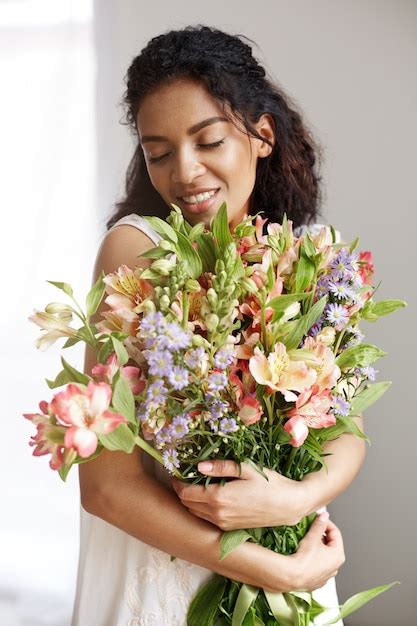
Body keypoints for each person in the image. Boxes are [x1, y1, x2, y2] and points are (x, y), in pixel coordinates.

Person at [72, 25, 365, 626]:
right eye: (158, 152)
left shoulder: (312, 257)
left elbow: (345, 428)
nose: (184, 173)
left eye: (207, 141)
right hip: (181, 573)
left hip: (294, 565)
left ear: (261, 135)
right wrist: (272, 570)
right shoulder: (135, 253)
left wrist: (299, 499)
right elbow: (104, 486)